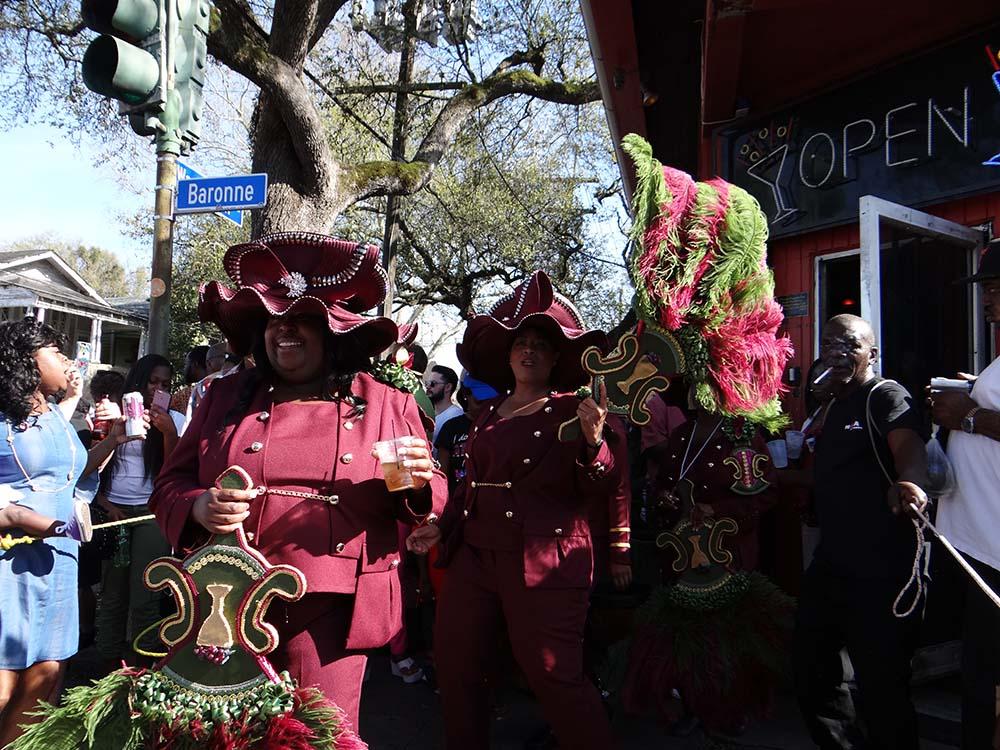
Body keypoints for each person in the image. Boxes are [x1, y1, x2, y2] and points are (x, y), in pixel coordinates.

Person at [150, 232, 446, 733]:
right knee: (227, 733)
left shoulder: (384, 403)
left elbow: (430, 494)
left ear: (332, 331)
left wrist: (418, 486)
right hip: (226, 598)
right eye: (274, 321)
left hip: (332, 605)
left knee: (315, 733)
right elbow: (171, 483)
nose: (284, 331)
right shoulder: (225, 398)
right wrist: (198, 507)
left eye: (301, 321)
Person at [407, 271, 626, 750]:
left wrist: (594, 445)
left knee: (554, 675)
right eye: (520, 343)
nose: (529, 351)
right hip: (474, 557)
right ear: (506, 356)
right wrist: (440, 528)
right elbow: (469, 487)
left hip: (542, 563)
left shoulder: (575, 409)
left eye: (541, 345)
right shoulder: (485, 413)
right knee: (457, 662)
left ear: (556, 358)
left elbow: (605, 480)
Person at [794, 314, 929, 750]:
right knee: (812, 668)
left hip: (882, 568)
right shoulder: (829, 405)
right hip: (833, 562)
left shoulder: (884, 395)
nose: (836, 351)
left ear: (872, 353)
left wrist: (910, 482)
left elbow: (907, 447)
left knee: (882, 685)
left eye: (849, 344)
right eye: (829, 342)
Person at [0, 317, 128, 745]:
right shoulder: (2, 421)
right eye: (56, 352)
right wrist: (20, 519)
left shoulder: (55, 416)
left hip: (59, 562)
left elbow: (70, 478)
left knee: (46, 679)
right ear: (26, 361)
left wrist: (114, 443)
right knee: (4, 679)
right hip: (10, 565)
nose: (68, 361)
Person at [929, 240, 1000, 750]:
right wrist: (975, 387)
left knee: (986, 680)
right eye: (986, 288)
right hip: (976, 545)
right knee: (978, 673)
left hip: (996, 553)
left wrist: (968, 415)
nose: (988, 298)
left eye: (998, 288)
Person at [94, 354, 184, 668]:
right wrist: (114, 432)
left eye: (165, 384)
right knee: (113, 594)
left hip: (151, 513)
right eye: (152, 381)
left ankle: (144, 668)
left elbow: (176, 472)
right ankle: (105, 668)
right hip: (114, 511)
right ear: (138, 379)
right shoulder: (116, 414)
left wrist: (168, 432)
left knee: (145, 594)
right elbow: (95, 469)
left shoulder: (175, 419)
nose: (157, 389)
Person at [435, 373, 498, 492]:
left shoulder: (499, 426)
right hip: (457, 500)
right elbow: (442, 474)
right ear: (466, 396)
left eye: (491, 401)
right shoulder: (451, 428)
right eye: (479, 401)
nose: (486, 406)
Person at [425, 364, 463, 443]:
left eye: (433, 383)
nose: (428, 387)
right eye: (427, 383)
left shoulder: (456, 416)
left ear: (448, 387)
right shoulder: (426, 411)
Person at [170, 344, 209, 415]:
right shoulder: (221, 390)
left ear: (195, 364)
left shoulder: (185, 395)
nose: (184, 369)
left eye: (186, 364)